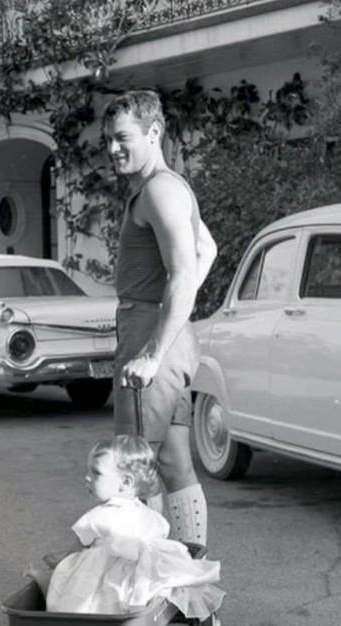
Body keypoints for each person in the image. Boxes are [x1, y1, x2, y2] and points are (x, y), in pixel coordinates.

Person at [102, 90, 218, 547]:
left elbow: (183, 271)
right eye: (108, 139)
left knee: (132, 467)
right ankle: (191, 578)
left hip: (154, 340)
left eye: (122, 138)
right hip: (165, 334)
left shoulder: (160, 190)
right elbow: (205, 250)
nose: (113, 148)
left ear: (154, 133)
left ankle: (139, 584)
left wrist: (152, 353)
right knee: (171, 460)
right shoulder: (162, 189)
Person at [44, 435, 223, 619]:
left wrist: (61, 563)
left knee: (66, 576)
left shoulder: (99, 517)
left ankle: (76, 619)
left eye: (96, 472)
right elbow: (158, 540)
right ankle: (135, 621)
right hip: (139, 585)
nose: (87, 477)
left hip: (104, 584)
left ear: (126, 482)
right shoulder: (151, 516)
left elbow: (77, 547)